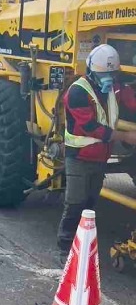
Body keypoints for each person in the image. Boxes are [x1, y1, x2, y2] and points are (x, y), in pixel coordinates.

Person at [58, 44, 136, 259]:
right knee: (75, 203)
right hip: (79, 158)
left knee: (90, 203)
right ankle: (65, 248)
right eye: (104, 74)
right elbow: (92, 128)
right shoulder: (77, 93)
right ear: (92, 71)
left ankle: (83, 244)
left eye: (112, 74)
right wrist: (126, 137)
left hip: (100, 157)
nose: (108, 79)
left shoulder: (116, 88)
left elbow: (131, 102)